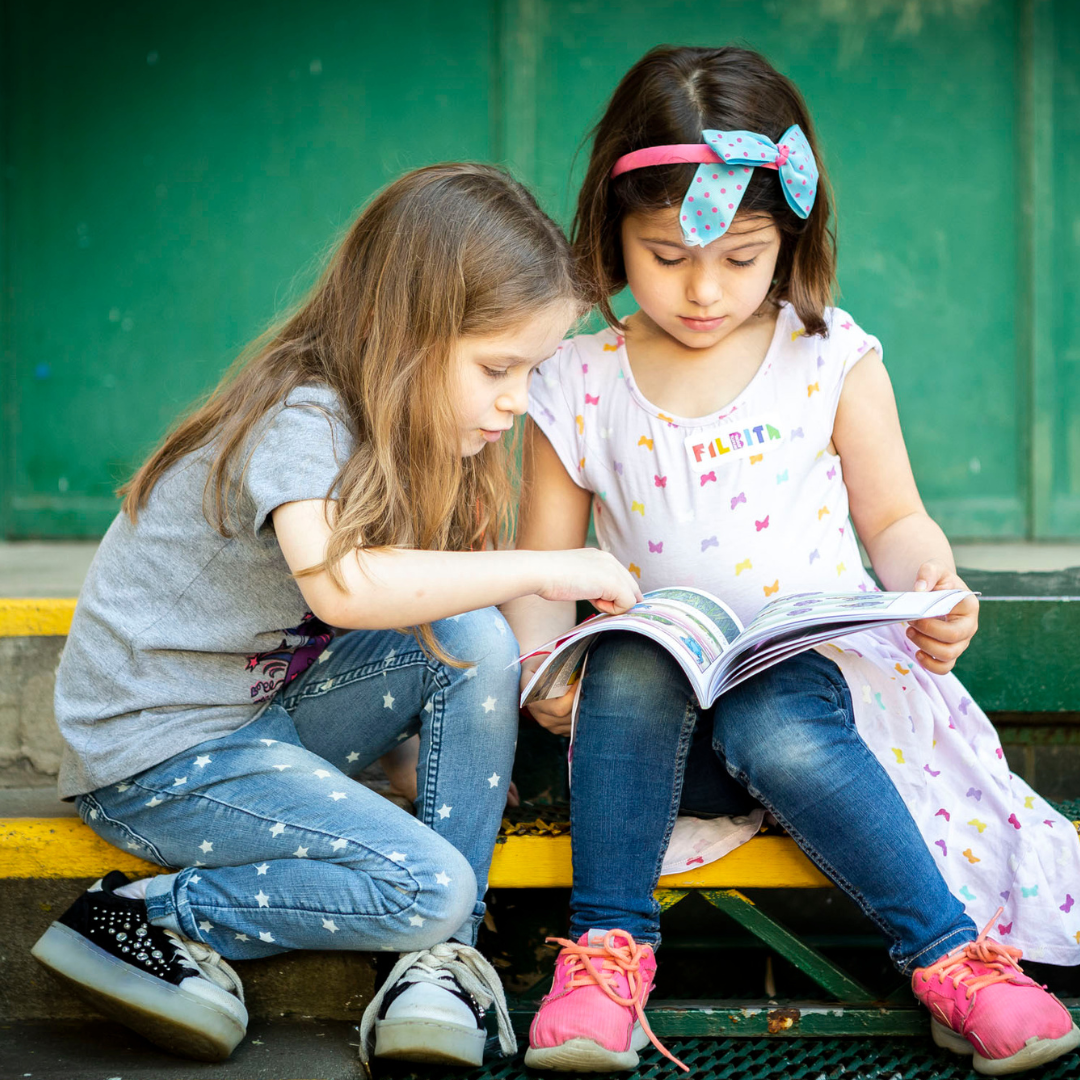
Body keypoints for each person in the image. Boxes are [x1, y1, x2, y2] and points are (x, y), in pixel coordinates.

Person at [502, 46, 1080, 1076]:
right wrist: (544, 664)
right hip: (656, 742)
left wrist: (928, 584)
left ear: (790, 239)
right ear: (613, 234)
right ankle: (606, 953)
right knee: (633, 656)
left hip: (812, 716)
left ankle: (953, 958)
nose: (704, 290)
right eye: (668, 257)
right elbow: (545, 556)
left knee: (778, 712)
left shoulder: (830, 361)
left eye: (740, 256)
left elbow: (895, 519)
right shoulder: (578, 380)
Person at [31, 163, 642, 1067]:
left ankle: (439, 967)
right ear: (404, 333)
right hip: (155, 757)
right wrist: (561, 563)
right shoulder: (307, 418)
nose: (516, 399)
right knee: (427, 886)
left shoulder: (407, 429)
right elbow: (342, 590)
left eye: (532, 370)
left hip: (257, 722)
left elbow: (391, 623)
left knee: (476, 638)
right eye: (497, 368)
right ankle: (142, 918)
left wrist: (401, 751)